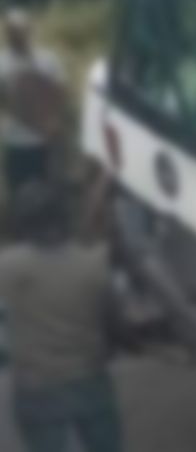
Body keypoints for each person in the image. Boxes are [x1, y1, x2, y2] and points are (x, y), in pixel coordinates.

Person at [0, 182, 121, 452]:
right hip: (89, 379)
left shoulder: (8, 267)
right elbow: (116, 326)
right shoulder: (94, 265)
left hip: (36, 386)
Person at [0, 9, 66, 194]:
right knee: (18, 196)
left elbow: (59, 94)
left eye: (20, 30)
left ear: (28, 31)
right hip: (15, 142)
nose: (16, 36)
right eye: (12, 31)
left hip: (42, 142)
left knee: (44, 196)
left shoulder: (48, 59)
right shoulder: (2, 63)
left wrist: (53, 124)